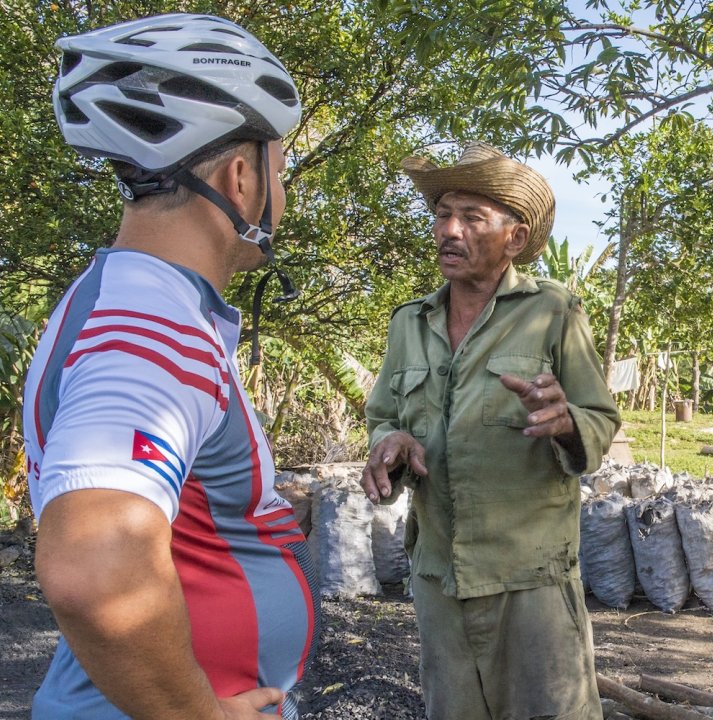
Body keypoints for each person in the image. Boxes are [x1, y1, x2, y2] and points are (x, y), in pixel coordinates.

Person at [24, 15, 316, 719]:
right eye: (282, 169)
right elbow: (94, 569)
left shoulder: (130, 299)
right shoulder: (151, 325)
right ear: (240, 178)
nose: (285, 189)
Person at [361, 142, 622, 719]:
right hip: (439, 577)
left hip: (529, 579)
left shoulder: (553, 311)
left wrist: (566, 423)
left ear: (516, 238)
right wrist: (391, 443)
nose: (448, 230)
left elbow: (599, 422)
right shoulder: (410, 322)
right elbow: (383, 414)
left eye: (472, 218)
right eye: (442, 214)